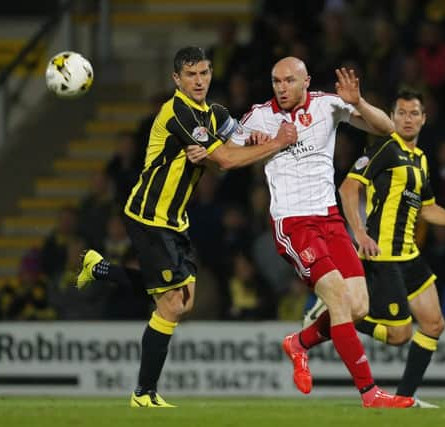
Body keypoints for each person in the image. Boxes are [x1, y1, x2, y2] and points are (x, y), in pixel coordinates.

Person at [76, 46, 297, 408]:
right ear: (177, 79)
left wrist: (253, 140)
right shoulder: (178, 111)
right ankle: (143, 393)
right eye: (191, 75)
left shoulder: (215, 113)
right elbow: (226, 160)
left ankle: (100, 268)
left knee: (184, 299)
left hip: (175, 219)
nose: (199, 80)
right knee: (171, 305)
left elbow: (237, 140)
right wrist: (273, 144)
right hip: (149, 215)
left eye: (205, 73)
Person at [222, 59, 415, 408]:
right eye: (275, 80)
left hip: (329, 219)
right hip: (293, 224)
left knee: (358, 306)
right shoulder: (259, 115)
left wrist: (358, 102)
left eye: (288, 80)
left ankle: (299, 344)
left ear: (305, 82)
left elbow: (387, 128)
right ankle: (370, 393)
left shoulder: (328, 104)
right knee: (339, 299)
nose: (280, 87)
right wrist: (263, 144)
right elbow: (226, 156)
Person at [318, 89, 445, 407]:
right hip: (383, 256)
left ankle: (405, 398)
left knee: (434, 324)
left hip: (410, 255)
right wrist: (360, 233)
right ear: (391, 118)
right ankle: (341, 314)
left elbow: (427, 209)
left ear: (424, 118)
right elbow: (348, 187)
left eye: (414, 113)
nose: (408, 119)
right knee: (399, 336)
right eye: (401, 113)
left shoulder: (420, 159)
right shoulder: (383, 147)